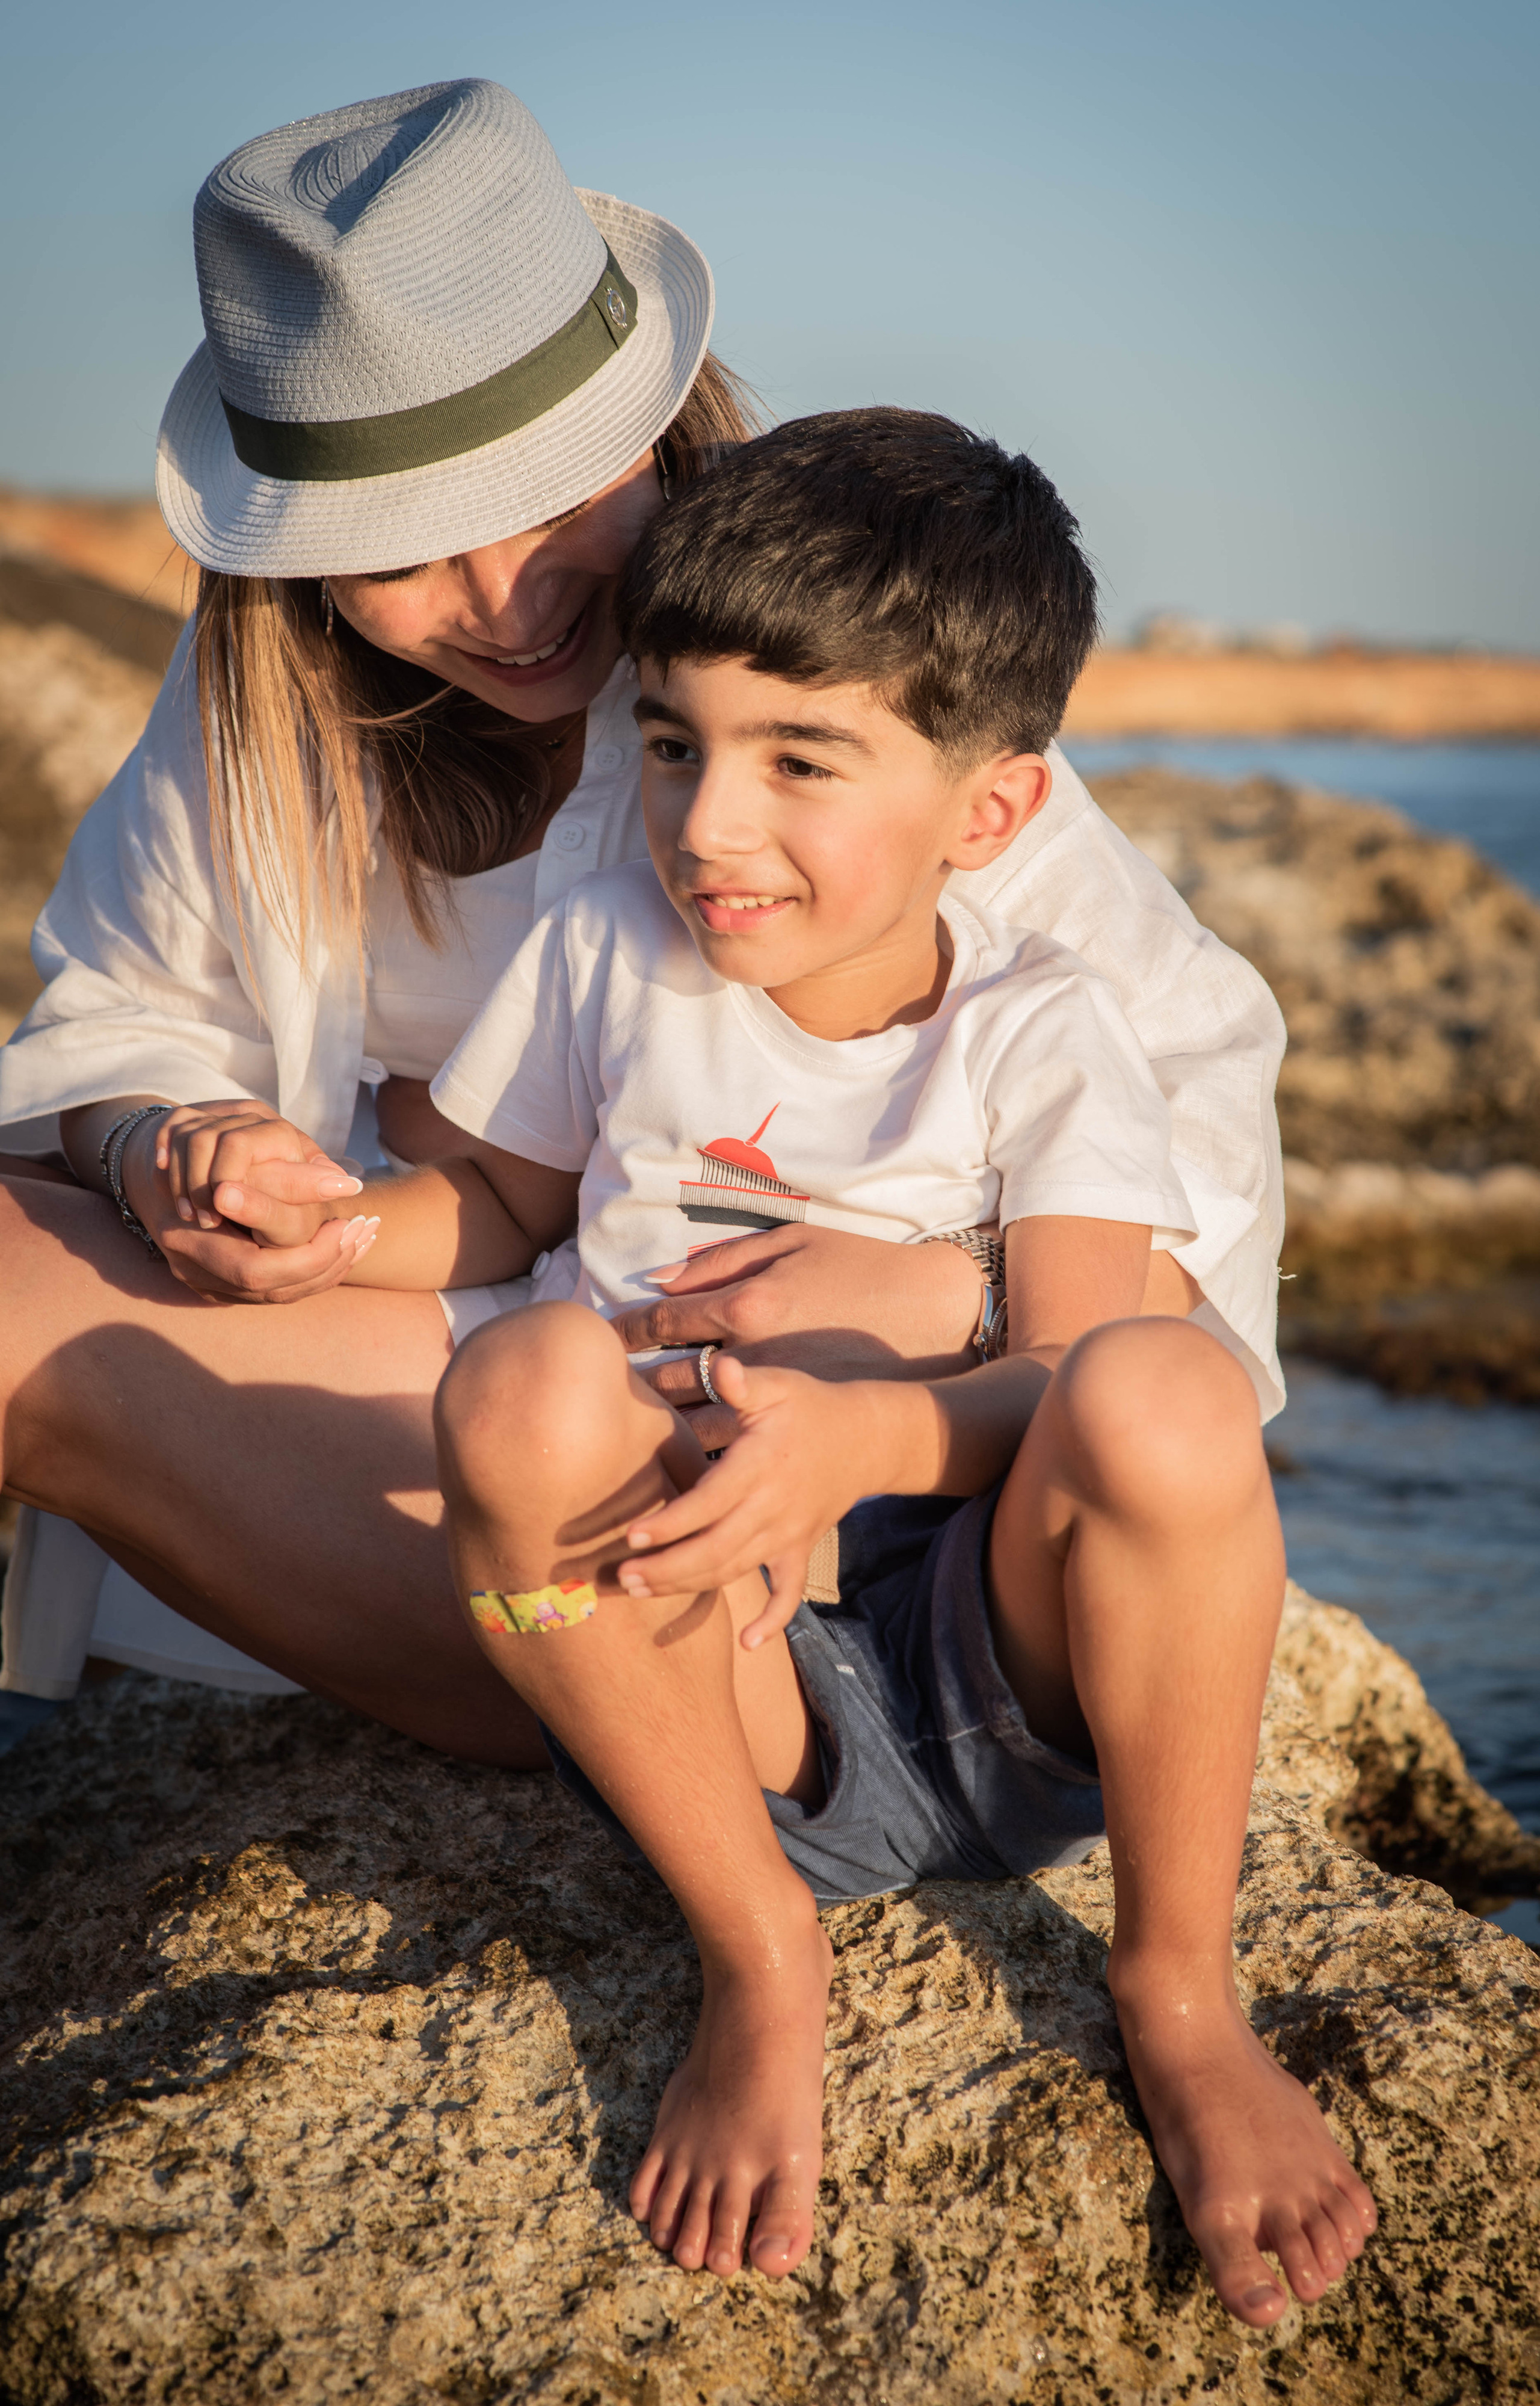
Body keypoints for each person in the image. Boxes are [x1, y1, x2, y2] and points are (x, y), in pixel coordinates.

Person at [0, 79, 1283, 1759]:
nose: (505, 598)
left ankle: (726, 1718)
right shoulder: (254, 706)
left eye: (546, 501)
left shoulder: (804, 654)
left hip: (810, 1437)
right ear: (297, 563)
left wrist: (955, 1285)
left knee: (560, 1414)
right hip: (461, 1365)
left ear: (650, 419)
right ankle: (605, 1692)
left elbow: (1180, 1168)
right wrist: (166, 1146)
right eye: (403, 552)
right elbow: (111, 1020)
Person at [316, 412, 1376, 2325]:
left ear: (989, 812)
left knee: (1170, 1389)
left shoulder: (1047, 1031)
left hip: (1004, 1656)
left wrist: (862, 1437)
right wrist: (329, 1227)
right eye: (670, 745)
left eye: (799, 761)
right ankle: (759, 1950)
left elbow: (1070, 1363)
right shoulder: (608, 950)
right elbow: (490, 1204)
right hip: (722, 1664)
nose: (707, 823)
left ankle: (1180, 1993)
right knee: (522, 1388)